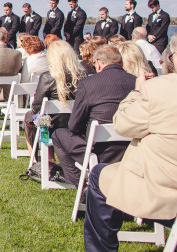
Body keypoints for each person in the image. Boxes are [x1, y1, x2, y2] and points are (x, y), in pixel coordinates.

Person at [61, 36, 177, 252]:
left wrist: (136, 92)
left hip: (163, 187)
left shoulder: (157, 89)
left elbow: (123, 124)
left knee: (100, 174)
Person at [51, 45, 134, 186]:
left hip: (97, 151)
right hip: (130, 148)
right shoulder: (136, 81)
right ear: (120, 62)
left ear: (99, 63)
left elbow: (73, 125)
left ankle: (78, 182)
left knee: (58, 135)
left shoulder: (88, 83)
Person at [24, 40, 85, 160]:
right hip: (77, 123)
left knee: (29, 117)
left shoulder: (47, 77)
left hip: (52, 124)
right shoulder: (83, 75)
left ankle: (38, 160)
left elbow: (36, 107)